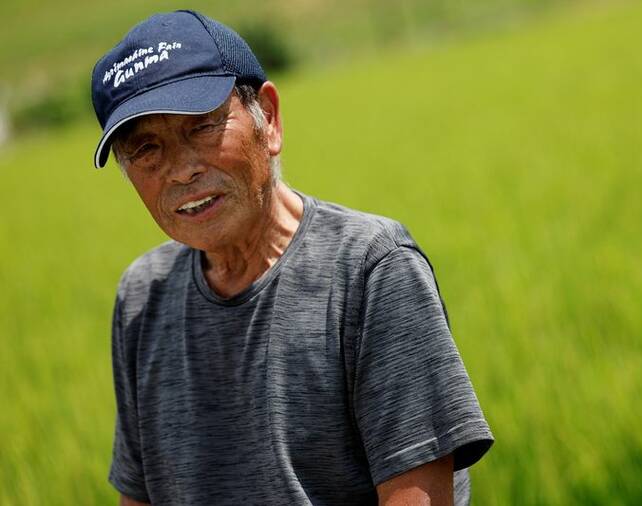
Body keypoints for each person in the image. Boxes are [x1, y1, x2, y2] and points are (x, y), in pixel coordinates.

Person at [91, 10, 493, 506]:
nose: (180, 170)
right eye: (146, 148)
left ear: (269, 119)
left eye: (201, 127)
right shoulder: (141, 296)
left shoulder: (369, 270)